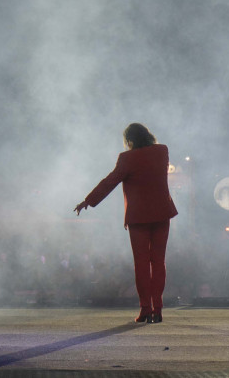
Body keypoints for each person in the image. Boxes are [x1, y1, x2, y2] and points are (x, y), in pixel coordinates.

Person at [74, 123, 178, 323]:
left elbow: (110, 182)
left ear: (129, 140)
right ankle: (158, 310)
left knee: (141, 264)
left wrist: (88, 200)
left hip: (138, 218)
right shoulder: (162, 151)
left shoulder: (127, 158)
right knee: (158, 262)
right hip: (162, 214)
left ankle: (145, 309)